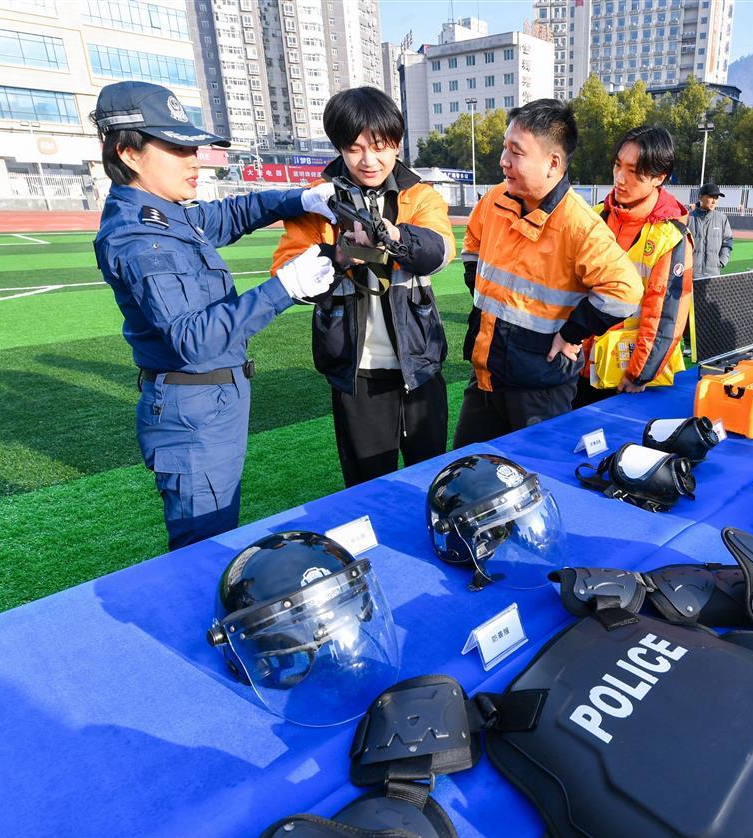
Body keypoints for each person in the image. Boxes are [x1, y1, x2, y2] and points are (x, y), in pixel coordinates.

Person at [91, 81, 337, 550]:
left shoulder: (165, 213)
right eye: (177, 147)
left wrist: (298, 200)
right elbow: (194, 339)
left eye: (194, 148)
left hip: (211, 405)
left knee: (219, 530)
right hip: (193, 414)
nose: (194, 160)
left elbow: (228, 215)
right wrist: (285, 288)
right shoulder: (137, 236)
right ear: (128, 152)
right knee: (203, 551)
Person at [271, 87, 453, 487]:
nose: (369, 160)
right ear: (338, 147)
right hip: (358, 372)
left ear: (398, 144)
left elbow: (441, 252)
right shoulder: (318, 201)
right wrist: (337, 256)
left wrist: (395, 238)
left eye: (381, 146)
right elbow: (284, 273)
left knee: (433, 482)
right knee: (368, 487)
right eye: (355, 148)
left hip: (420, 366)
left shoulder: (419, 194)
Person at [453, 99, 643, 446]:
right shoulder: (495, 199)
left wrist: (573, 333)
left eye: (516, 152)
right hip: (486, 374)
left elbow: (625, 290)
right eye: (504, 148)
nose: (503, 160)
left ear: (553, 163)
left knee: (536, 479)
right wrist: (479, 292)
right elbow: (472, 244)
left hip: (540, 388)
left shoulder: (578, 224)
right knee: (467, 470)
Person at [576, 126, 694, 407]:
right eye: (618, 165)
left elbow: (666, 318)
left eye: (634, 172)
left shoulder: (670, 238)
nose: (620, 178)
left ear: (659, 178)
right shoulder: (595, 217)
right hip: (580, 367)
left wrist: (639, 374)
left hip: (628, 380)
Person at [689, 182, 733, 278]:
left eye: (716, 198)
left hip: (713, 274)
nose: (714, 201)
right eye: (711, 197)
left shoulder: (722, 218)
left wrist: (722, 261)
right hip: (690, 273)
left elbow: (727, 241)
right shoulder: (688, 218)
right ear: (700, 197)